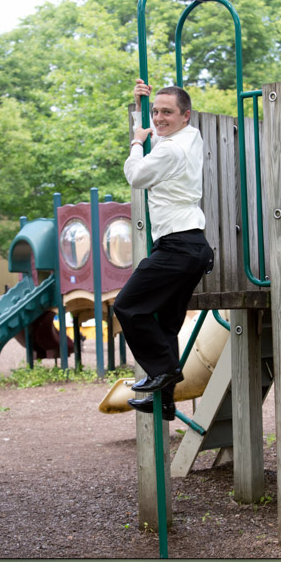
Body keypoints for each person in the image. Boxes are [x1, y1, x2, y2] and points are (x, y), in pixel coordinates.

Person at [112, 79, 214, 421]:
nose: (158, 118)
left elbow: (137, 176)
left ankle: (166, 372)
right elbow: (162, 134)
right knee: (166, 323)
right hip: (193, 246)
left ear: (185, 116)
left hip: (177, 246)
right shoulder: (191, 138)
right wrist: (141, 100)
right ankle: (166, 399)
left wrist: (135, 142)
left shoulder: (171, 149)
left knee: (128, 307)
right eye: (155, 111)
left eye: (166, 112)